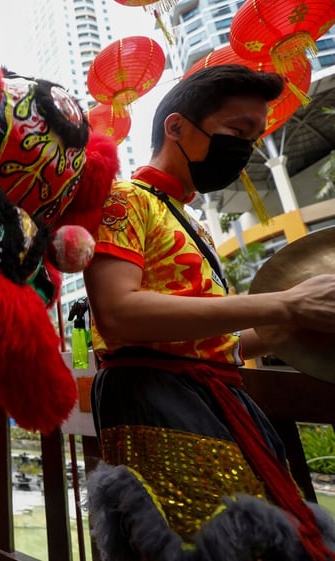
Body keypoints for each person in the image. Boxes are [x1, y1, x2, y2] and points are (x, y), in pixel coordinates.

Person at [84, 64, 335, 561]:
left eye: (255, 136)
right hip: (157, 397)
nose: (246, 148)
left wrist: (297, 316)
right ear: (176, 127)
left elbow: (219, 342)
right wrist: (282, 301)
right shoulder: (123, 199)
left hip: (218, 396)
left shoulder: (190, 220)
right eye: (237, 131)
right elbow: (117, 313)